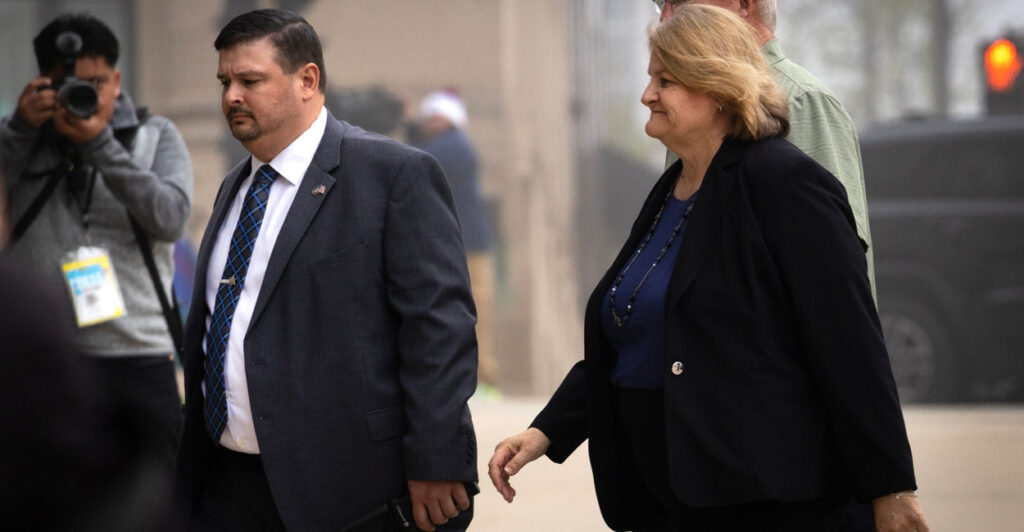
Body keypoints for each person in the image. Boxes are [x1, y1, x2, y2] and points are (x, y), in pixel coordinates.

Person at [488, 6, 928, 531]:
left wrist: (890, 486)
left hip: (762, 498)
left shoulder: (785, 184)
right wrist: (546, 432)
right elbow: (638, 334)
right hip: (666, 495)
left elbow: (850, 344)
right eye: (650, 78)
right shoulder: (670, 191)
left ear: (719, 89)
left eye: (665, 80)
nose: (647, 95)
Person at [174, 9, 478, 531]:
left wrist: (437, 457)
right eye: (225, 82)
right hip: (227, 483)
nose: (231, 97)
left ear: (307, 80)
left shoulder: (393, 175)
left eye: (250, 80)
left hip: (348, 488)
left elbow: (439, 329)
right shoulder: (234, 188)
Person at [0, 12, 192, 505]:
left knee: (155, 501)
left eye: (96, 83)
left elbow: (170, 218)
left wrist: (100, 145)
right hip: (47, 359)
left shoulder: (156, 135)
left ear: (118, 79)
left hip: (140, 357)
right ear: (43, 82)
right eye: (69, 85)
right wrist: (21, 130)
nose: (83, 96)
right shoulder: (20, 139)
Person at [656, 0, 875, 295]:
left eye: (681, 2)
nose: (666, 19)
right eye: (661, 6)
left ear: (744, 5)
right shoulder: (689, 108)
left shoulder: (801, 100)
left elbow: (835, 279)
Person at [411, 89, 499, 395]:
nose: (432, 122)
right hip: (456, 245)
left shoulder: (455, 147)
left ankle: (484, 378)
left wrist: (409, 128)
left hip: (470, 246)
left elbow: (418, 159)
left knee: (476, 313)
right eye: (430, 117)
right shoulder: (442, 145)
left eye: (438, 116)